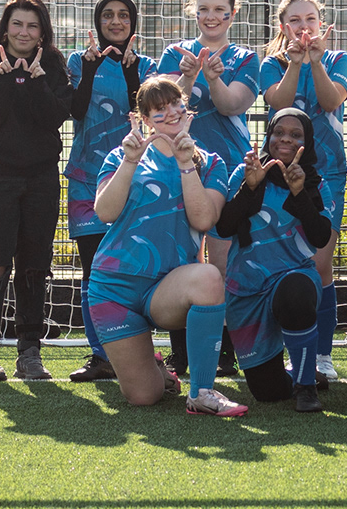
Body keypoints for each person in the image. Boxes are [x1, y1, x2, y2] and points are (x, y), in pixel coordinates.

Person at [85, 78, 248, 416]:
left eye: (175, 104)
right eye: (159, 109)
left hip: (166, 286)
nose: (171, 112)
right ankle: (156, 368)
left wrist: (186, 162)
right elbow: (104, 212)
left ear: (186, 108)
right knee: (144, 397)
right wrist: (130, 161)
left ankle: (201, 393)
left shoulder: (211, 163)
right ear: (144, 118)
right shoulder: (122, 155)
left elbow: (204, 220)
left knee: (208, 277)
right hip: (114, 288)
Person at [0, 0, 72, 384]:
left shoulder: (54, 65)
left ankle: (30, 352)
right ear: (5, 28)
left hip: (41, 178)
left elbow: (55, 116)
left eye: (32, 25)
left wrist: (38, 82)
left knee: (34, 267)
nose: (24, 32)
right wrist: (2, 80)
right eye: (17, 24)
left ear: (43, 32)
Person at [155, 0, 261, 381]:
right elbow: (165, 107)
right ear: (193, 12)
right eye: (203, 9)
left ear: (232, 15)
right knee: (181, 259)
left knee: (220, 262)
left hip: (225, 169)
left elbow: (232, 103)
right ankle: (181, 354)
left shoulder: (244, 57)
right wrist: (185, 78)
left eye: (219, 10)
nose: (211, 16)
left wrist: (212, 77)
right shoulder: (174, 53)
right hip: (177, 169)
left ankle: (222, 353)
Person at [259, 0, 347, 387]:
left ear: (321, 23)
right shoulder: (272, 64)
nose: (304, 26)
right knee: (283, 262)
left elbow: (333, 99)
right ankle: (283, 351)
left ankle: (322, 355)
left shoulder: (338, 61)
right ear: (284, 28)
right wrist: (295, 65)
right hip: (279, 176)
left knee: (319, 263)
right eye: (295, 20)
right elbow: (276, 99)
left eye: (310, 19)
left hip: (326, 175)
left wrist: (314, 61)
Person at [216, 107, 338, 412]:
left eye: (296, 135)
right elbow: (224, 227)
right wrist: (251, 187)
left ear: (306, 143)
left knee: (296, 290)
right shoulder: (244, 173)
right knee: (267, 392)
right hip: (247, 289)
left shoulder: (315, 184)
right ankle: (293, 374)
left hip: (293, 276)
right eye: (279, 132)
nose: (285, 139)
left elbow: (320, 237)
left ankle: (306, 385)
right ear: (268, 135)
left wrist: (299, 194)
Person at [63, 0, 144, 384]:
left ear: (133, 23)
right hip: (85, 179)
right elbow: (73, 111)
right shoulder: (79, 62)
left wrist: (131, 74)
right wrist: (93, 71)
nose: (115, 22)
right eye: (108, 15)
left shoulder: (145, 65)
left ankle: (135, 349)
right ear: (97, 23)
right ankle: (100, 355)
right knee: (92, 269)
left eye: (123, 16)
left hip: (131, 179)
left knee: (128, 267)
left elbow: (144, 113)